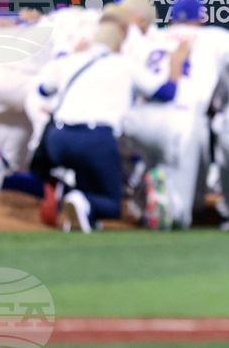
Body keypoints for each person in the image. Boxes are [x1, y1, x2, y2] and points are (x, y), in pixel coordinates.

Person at [34, 16, 185, 233]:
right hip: (94, 139)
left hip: (58, 138)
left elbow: (43, 90)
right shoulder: (124, 64)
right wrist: (176, 65)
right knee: (112, 205)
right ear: (118, 44)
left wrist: (70, 60)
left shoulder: (72, 60)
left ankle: (71, 198)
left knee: (87, 181)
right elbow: (166, 93)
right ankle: (79, 200)